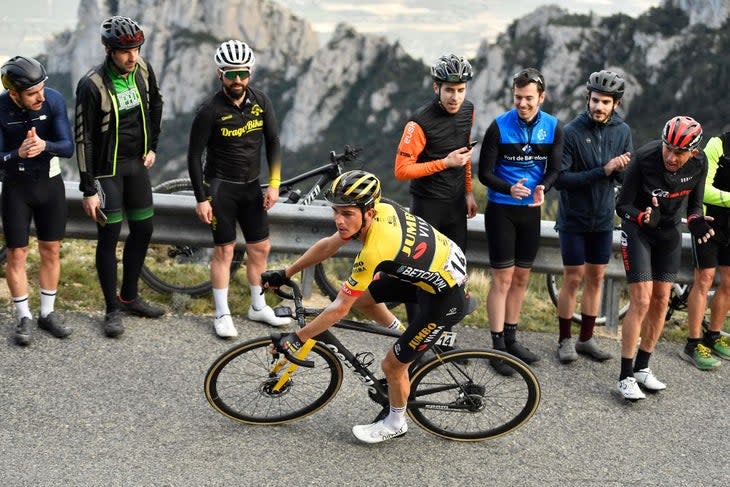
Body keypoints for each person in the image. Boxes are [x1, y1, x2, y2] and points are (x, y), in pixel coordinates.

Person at [262, 170, 469, 444]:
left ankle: (396, 422)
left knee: (392, 365)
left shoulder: (375, 249)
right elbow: (328, 245)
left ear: (368, 213)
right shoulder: (376, 210)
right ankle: (404, 337)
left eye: (347, 213)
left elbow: (338, 309)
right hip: (432, 272)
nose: (339, 219)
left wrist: (298, 337)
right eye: (336, 211)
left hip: (446, 296)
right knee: (364, 300)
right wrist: (287, 272)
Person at [188, 39, 290, 338]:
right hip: (220, 189)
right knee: (225, 251)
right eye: (230, 74)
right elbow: (194, 156)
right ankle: (221, 313)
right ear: (220, 74)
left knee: (261, 248)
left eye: (242, 73)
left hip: (251, 188)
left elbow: (273, 143)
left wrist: (274, 184)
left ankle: (257, 307)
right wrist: (201, 199)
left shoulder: (261, 102)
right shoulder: (209, 110)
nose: (237, 80)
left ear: (250, 73)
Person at [75, 16, 165, 338]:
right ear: (108, 49)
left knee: (143, 229)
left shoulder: (142, 69)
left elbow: (156, 103)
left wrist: (153, 145)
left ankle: (129, 296)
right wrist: (88, 188)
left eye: (136, 49)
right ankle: (111, 309)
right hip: (106, 172)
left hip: (136, 165)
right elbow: (82, 138)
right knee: (109, 238)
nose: (132, 56)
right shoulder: (92, 84)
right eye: (125, 51)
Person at [615, 116, 713, 400]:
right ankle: (625, 375)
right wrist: (641, 215)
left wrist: (695, 221)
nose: (671, 156)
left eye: (679, 152)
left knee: (661, 300)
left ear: (693, 151)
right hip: (639, 232)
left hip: (668, 232)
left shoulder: (699, 162)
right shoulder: (645, 157)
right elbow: (622, 205)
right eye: (668, 148)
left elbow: (694, 206)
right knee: (642, 300)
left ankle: (643, 367)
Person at [477, 67, 563, 374]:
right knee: (502, 279)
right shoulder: (499, 126)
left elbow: (555, 169)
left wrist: (544, 187)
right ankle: (497, 346)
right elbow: (484, 174)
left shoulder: (553, 126)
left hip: (531, 211)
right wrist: (508, 188)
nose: (522, 104)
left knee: (522, 278)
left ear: (541, 97)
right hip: (501, 210)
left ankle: (512, 339)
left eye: (528, 98)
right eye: (517, 98)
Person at [553, 70, 633, 363]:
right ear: (588, 99)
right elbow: (561, 179)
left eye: (606, 102)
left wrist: (622, 170)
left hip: (602, 218)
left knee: (597, 278)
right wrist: (605, 169)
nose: (599, 107)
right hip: (573, 217)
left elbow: (623, 176)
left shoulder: (623, 131)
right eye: (595, 100)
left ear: (616, 104)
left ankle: (586, 339)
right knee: (573, 278)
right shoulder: (571, 131)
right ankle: (564, 340)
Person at [1, 56, 73, 345]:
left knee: (51, 250)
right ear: (14, 93)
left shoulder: (53, 101)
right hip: (17, 189)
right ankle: (23, 317)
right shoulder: (0, 108)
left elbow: (67, 147)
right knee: (17, 254)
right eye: (32, 93)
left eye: (42, 87)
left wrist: (45, 146)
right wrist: (16, 153)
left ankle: (47, 313)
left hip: (50, 186)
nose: (40, 96)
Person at [394, 53, 477, 251]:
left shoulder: (468, 110)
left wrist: (468, 191)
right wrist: (445, 163)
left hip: (456, 205)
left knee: (455, 272)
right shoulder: (419, 123)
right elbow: (401, 171)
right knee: (422, 273)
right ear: (436, 88)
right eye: (449, 90)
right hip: (427, 206)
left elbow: (464, 154)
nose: (455, 97)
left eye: (460, 90)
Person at [680, 130, 730, 369]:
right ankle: (693, 343)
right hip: (708, 223)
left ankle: (714, 335)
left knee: (729, 283)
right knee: (705, 280)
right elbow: (704, 190)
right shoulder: (718, 144)